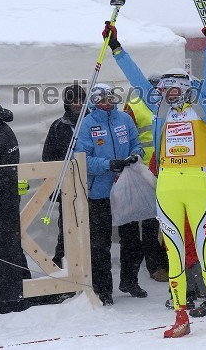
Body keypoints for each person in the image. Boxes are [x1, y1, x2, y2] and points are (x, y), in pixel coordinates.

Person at [102, 19, 206, 337]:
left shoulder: (201, 104)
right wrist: (116, 48)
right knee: (174, 252)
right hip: (167, 185)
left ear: (189, 86)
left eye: (179, 85)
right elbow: (136, 78)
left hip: (197, 183)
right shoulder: (159, 109)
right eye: (167, 86)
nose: (173, 91)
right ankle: (181, 315)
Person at [75, 83, 147, 306]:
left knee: (132, 239)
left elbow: (137, 144)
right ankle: (103, 289)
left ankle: (129, 281)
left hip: (125, 189)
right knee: (100, 243)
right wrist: (108, 164)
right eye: (102, 100)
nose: (107, 103)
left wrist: (135, 155)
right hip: (99, 192)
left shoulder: (125, 119)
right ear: (94, 102)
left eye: (110, 98)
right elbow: (81, 158)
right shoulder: (87, 123)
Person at [124, 74, 168, 283]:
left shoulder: (171, 104)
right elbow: (129, 137)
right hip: (146, 172)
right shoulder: (134, 105)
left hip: (171, 168)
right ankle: (155, 265)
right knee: (151, 221)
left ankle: (171, 262)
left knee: (170, 220)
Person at [0, 89, 30, 315]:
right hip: (0, 200)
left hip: (1, 201)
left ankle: (7, 298)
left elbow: (5, 171)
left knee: (5, 247)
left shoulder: (2, 132)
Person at [42, 84, 86, 268]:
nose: (77, 104)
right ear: (66, 102)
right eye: (73, 100)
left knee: (93, 233)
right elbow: (48, 159)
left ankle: (89, 271)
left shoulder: (92, 122)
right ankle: (62, 269)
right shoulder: (58, 127)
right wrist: (53, 187)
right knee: (67, 231)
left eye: (81, 99)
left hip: (92, 187)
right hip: (68, 188)